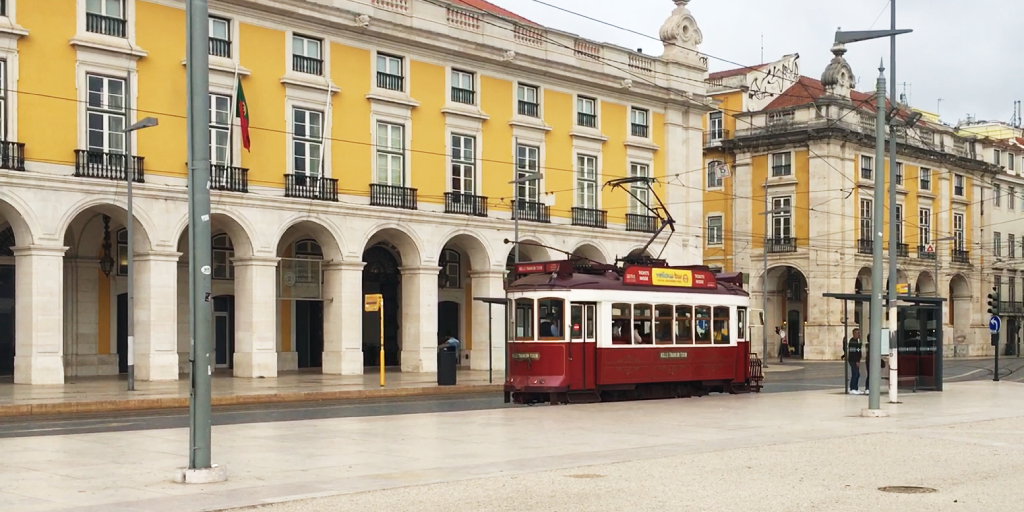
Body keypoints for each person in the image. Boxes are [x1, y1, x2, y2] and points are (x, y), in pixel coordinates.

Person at [845, 328, 863, 394]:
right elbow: (854, 353)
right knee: (855, 373)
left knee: (857, 374)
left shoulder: (856, 341)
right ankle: (853, 388)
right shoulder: (853, 342)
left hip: (855, 360)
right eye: (857, 333)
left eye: (859, 333)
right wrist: (857, 361)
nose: (859, 334)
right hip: (853, 360)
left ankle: (855, 388)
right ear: (854, 334)